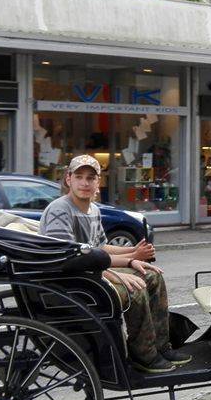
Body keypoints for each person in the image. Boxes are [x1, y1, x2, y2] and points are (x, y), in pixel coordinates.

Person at [40, 155, 188, 374]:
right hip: (70, 279)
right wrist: (118, 270)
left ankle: (160, 346)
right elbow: (70, 258)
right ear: (68, 179)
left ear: (98, 182)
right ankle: (143, 355)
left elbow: (100, 248)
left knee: (152, 276)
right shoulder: (60, 209)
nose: (85, 183)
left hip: (89, 271)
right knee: (135, 288)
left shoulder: (93, 210)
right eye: (79, 177)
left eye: (91, 178)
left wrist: (134, 255)